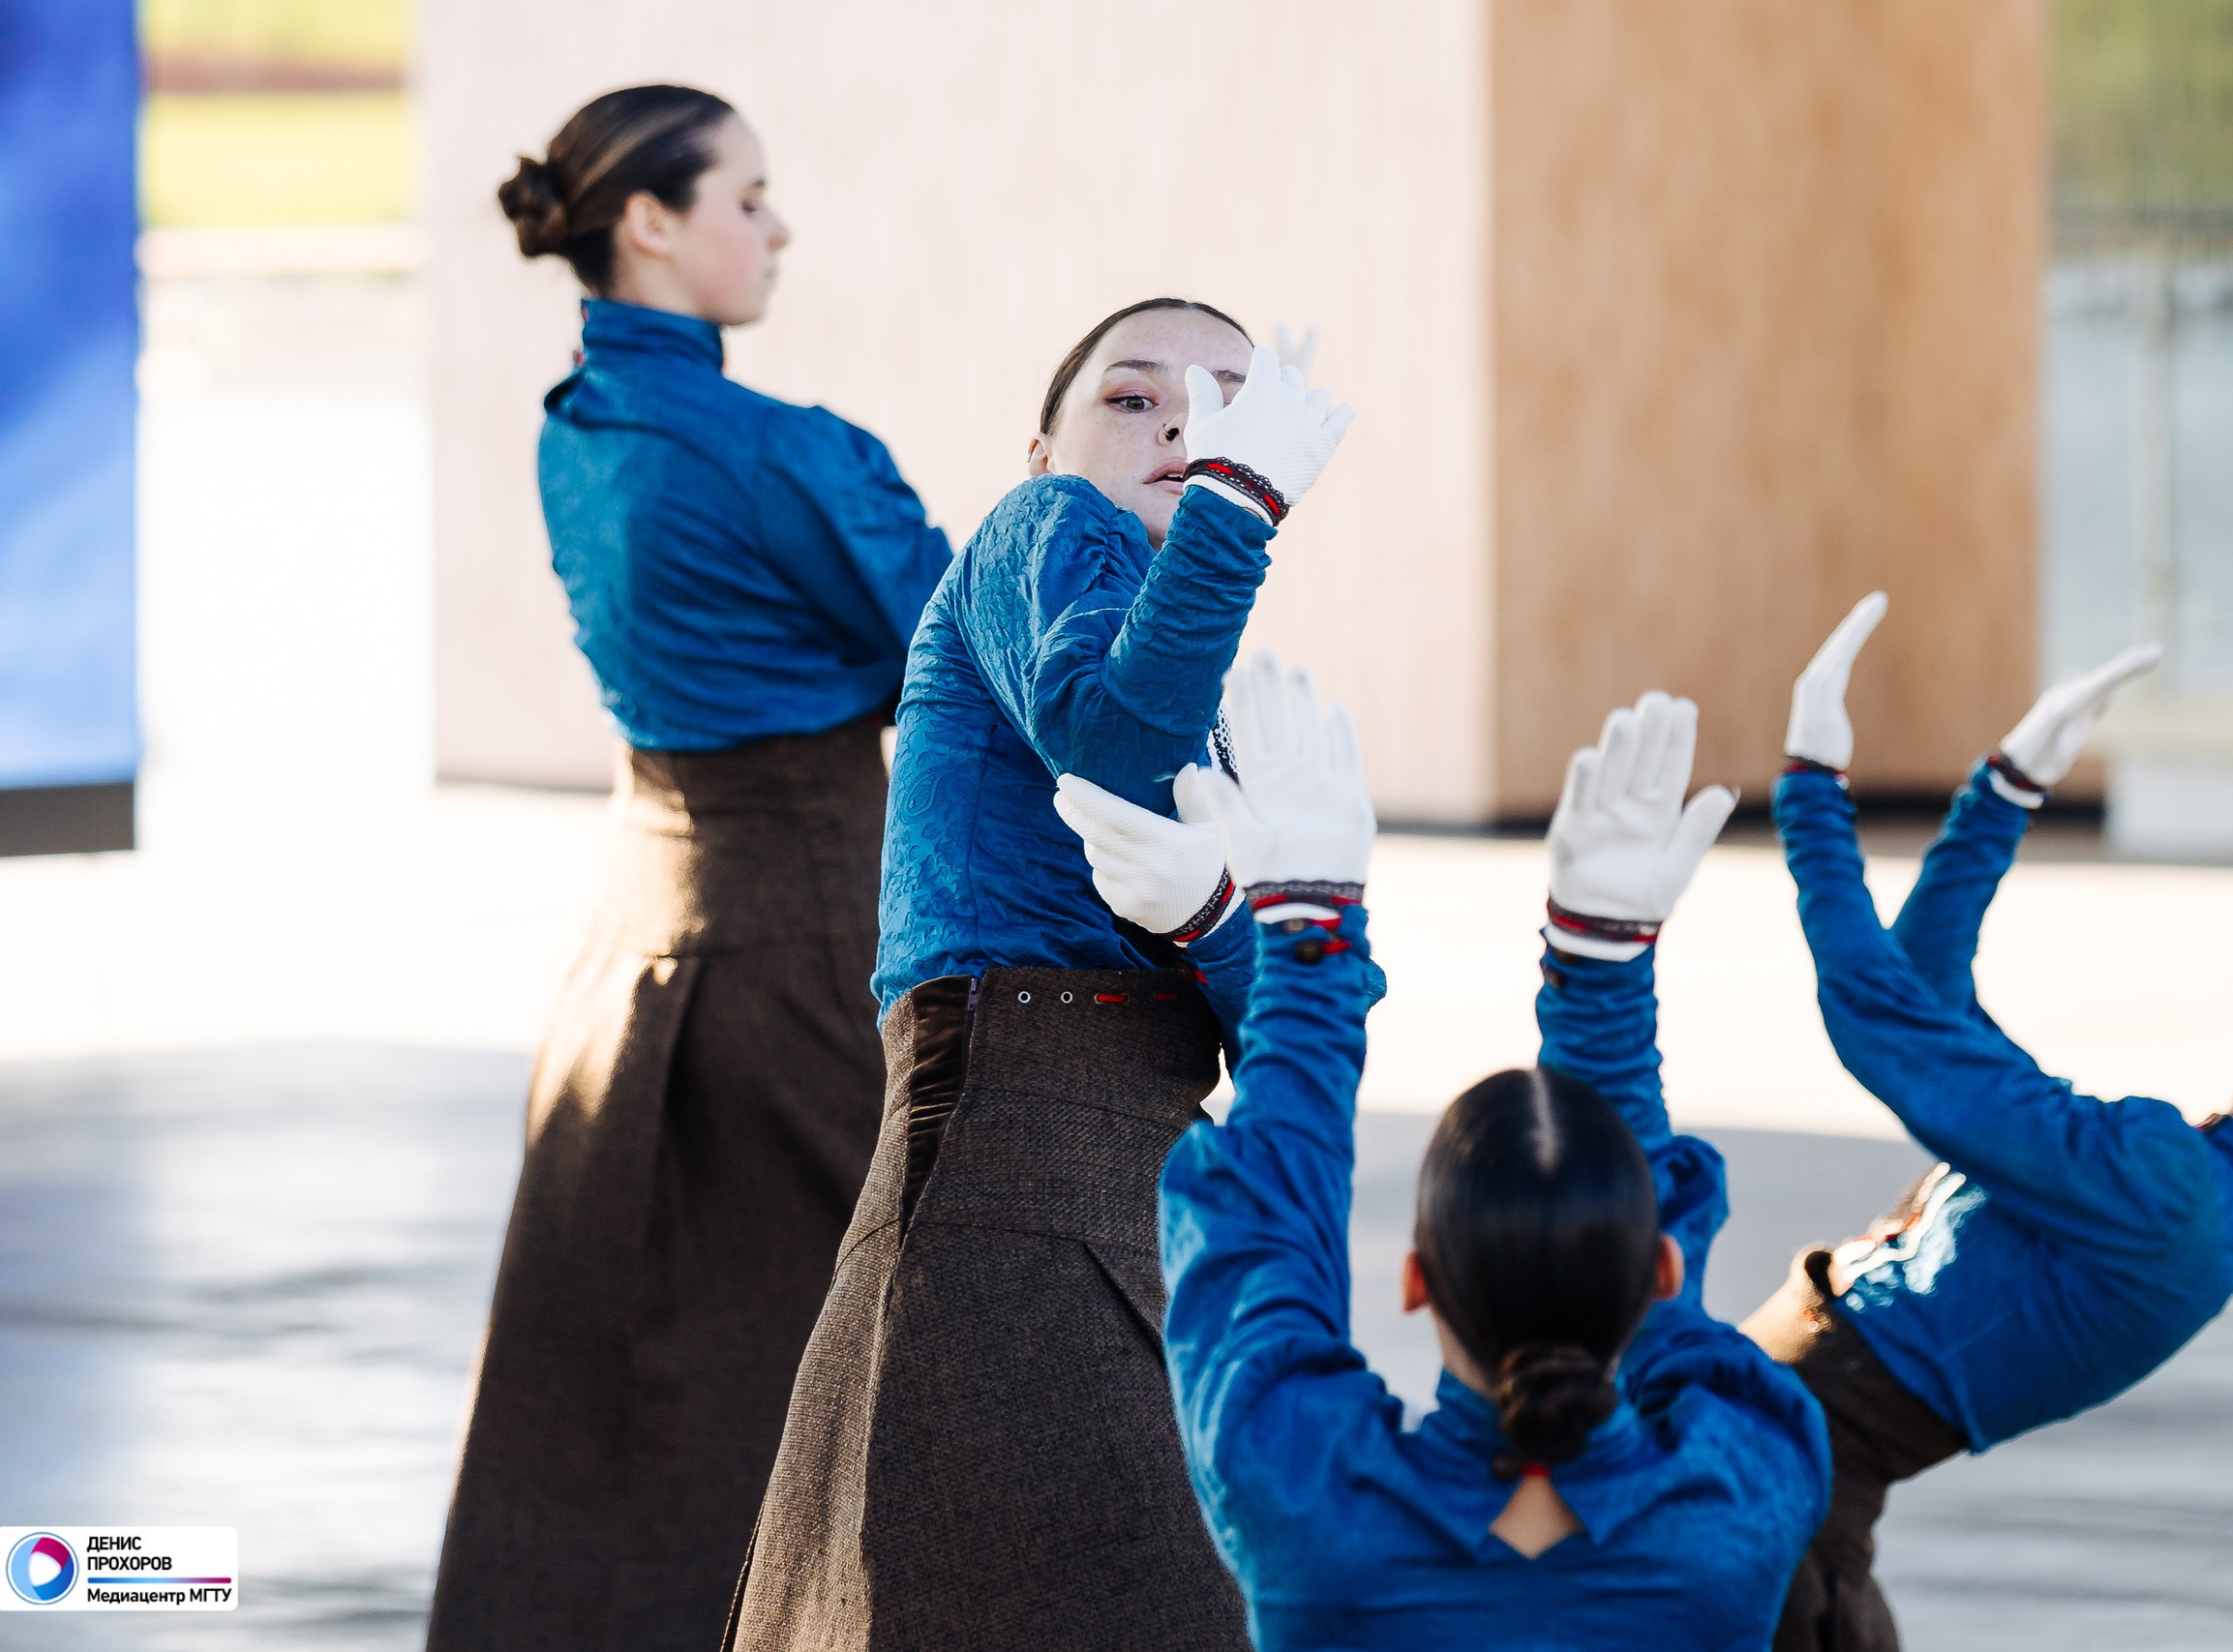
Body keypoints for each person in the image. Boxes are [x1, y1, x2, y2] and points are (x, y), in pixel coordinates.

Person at [724, 303, 1355, 1651]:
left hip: (1143, 1194)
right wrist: (1237, 504)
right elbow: (1106, 740)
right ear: (1040, 451)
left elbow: (1294, 1035)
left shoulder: (1223, 709)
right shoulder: (1041, 527)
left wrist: (1255, 915)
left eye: (1233, 405)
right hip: (1012, 1165)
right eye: (1137, 398)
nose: (1188, 422)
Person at [429, 86, 951, 1652]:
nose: (776, 225)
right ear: (648, 223)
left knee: (634, 1376)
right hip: (807, 929)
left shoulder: (577, 427)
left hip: (640, 938)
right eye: (748, 195)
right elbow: (951, 649)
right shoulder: (776, 452)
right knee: (885, 1345)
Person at [1748, 594, 2233, 1652]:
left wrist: (1810, 790)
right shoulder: (2185, 1201)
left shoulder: (2167, 1194)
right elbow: (1929, 1008)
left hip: (1779, 1487)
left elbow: (1886, 1027)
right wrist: (2003, 795)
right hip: (1782, 1472)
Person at [1064, 653, 1831, 1648]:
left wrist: (1303, 929)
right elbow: (1258, 1247)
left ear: (1416, 1279)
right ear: (1662, 1265)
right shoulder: (1747, 1498)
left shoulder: (1314, 1515)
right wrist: (1599, 965)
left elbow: (1258, 1250)